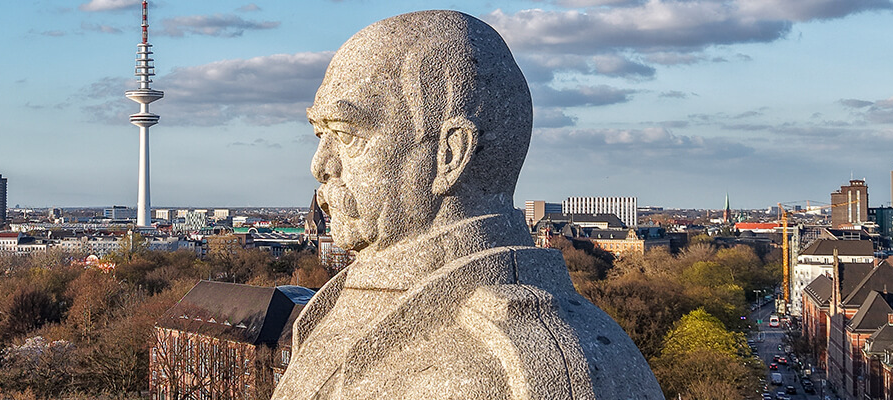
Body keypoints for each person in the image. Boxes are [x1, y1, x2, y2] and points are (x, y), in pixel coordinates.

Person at [272, 10, 662, 399]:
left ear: (451, 155)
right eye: (320, 134)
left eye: (346, 134)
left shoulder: (515, 370)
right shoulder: (333, 307)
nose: (319, 165)